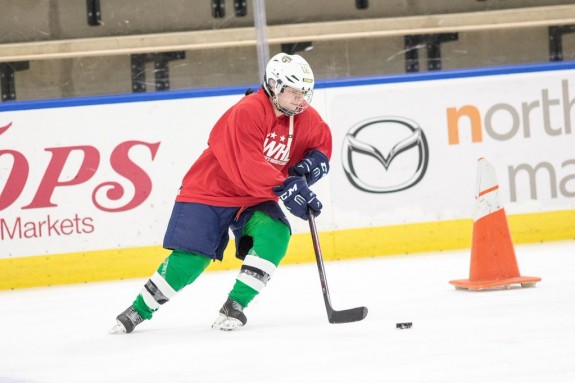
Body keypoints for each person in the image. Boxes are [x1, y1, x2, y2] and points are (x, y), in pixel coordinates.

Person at [110, 52, 332, 333]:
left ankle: (235, 305)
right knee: (192, 258)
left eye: (305, 92)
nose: (302, 99)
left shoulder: (305, 117)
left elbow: (321, 143)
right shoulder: (247, 111)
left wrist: (313, 164)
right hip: (208, 190)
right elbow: (247, 165)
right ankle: (138, 310)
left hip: (253, 199)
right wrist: (287, 188)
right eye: (294, 92)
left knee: (275, 232)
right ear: (274, 86)